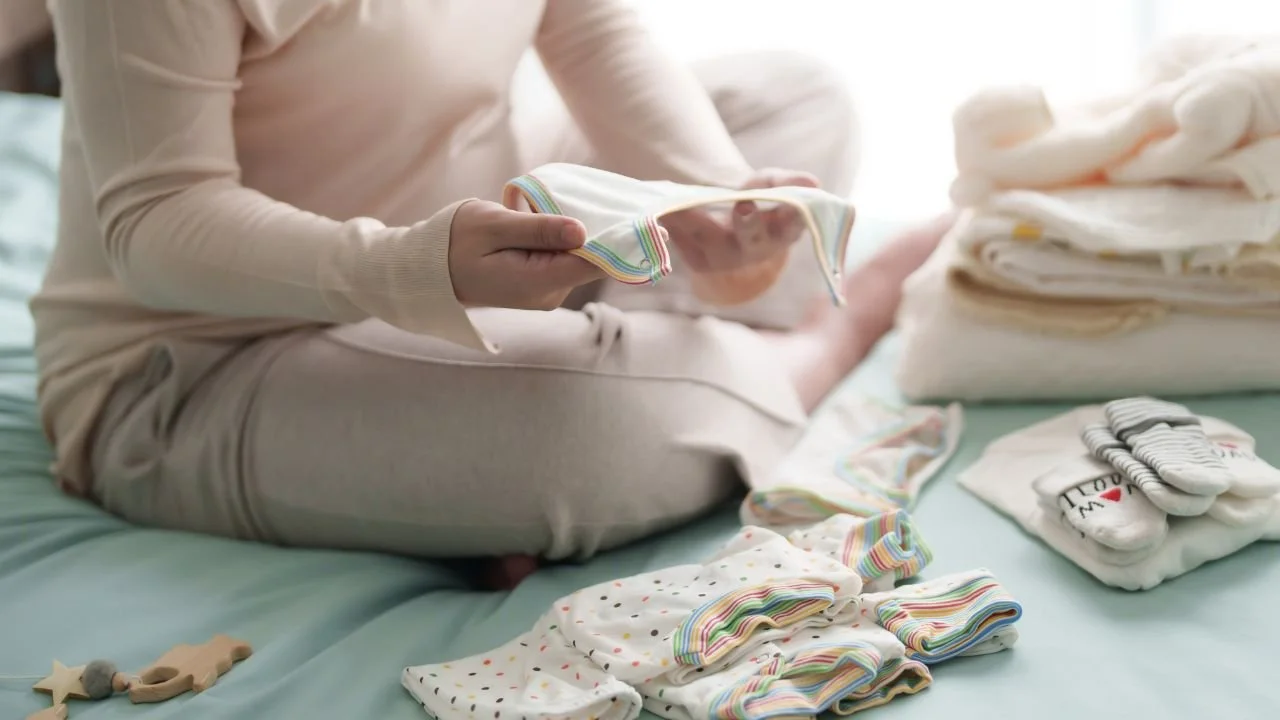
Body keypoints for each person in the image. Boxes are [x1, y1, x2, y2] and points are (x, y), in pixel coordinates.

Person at [33, 0, 948, 588]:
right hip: (207, 362)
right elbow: (153, 221)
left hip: (460, 226)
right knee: (578, 424)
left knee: (794, 100)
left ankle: (469, 458)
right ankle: (823, 342)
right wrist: (408, 268)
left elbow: (585, 24)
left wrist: (706, 189)